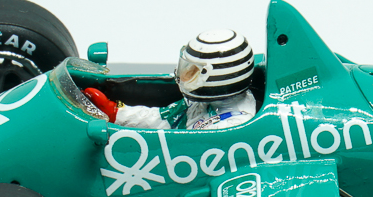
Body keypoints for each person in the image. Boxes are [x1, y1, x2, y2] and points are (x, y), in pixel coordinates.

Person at [83, 30, 257, 130]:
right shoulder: (203, 102)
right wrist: (116, 112)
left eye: (193, 71)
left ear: (219, 77)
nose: (184, 75)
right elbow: (164, 119)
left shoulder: (232, 126)